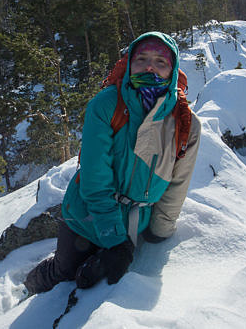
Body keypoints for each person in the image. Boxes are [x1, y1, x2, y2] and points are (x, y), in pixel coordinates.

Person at [24, 32, 201, 293]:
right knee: (65, 270)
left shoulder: (185, 122)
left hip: (136, 219)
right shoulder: (107, 105)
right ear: (129, 63)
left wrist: (159, 229)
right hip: (85, 215)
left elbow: (178, 182)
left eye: (160, 62)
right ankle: (30, 285)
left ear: (173, 71)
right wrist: (115, 240)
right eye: (141, 59)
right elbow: (95, 178)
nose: (150, 67)